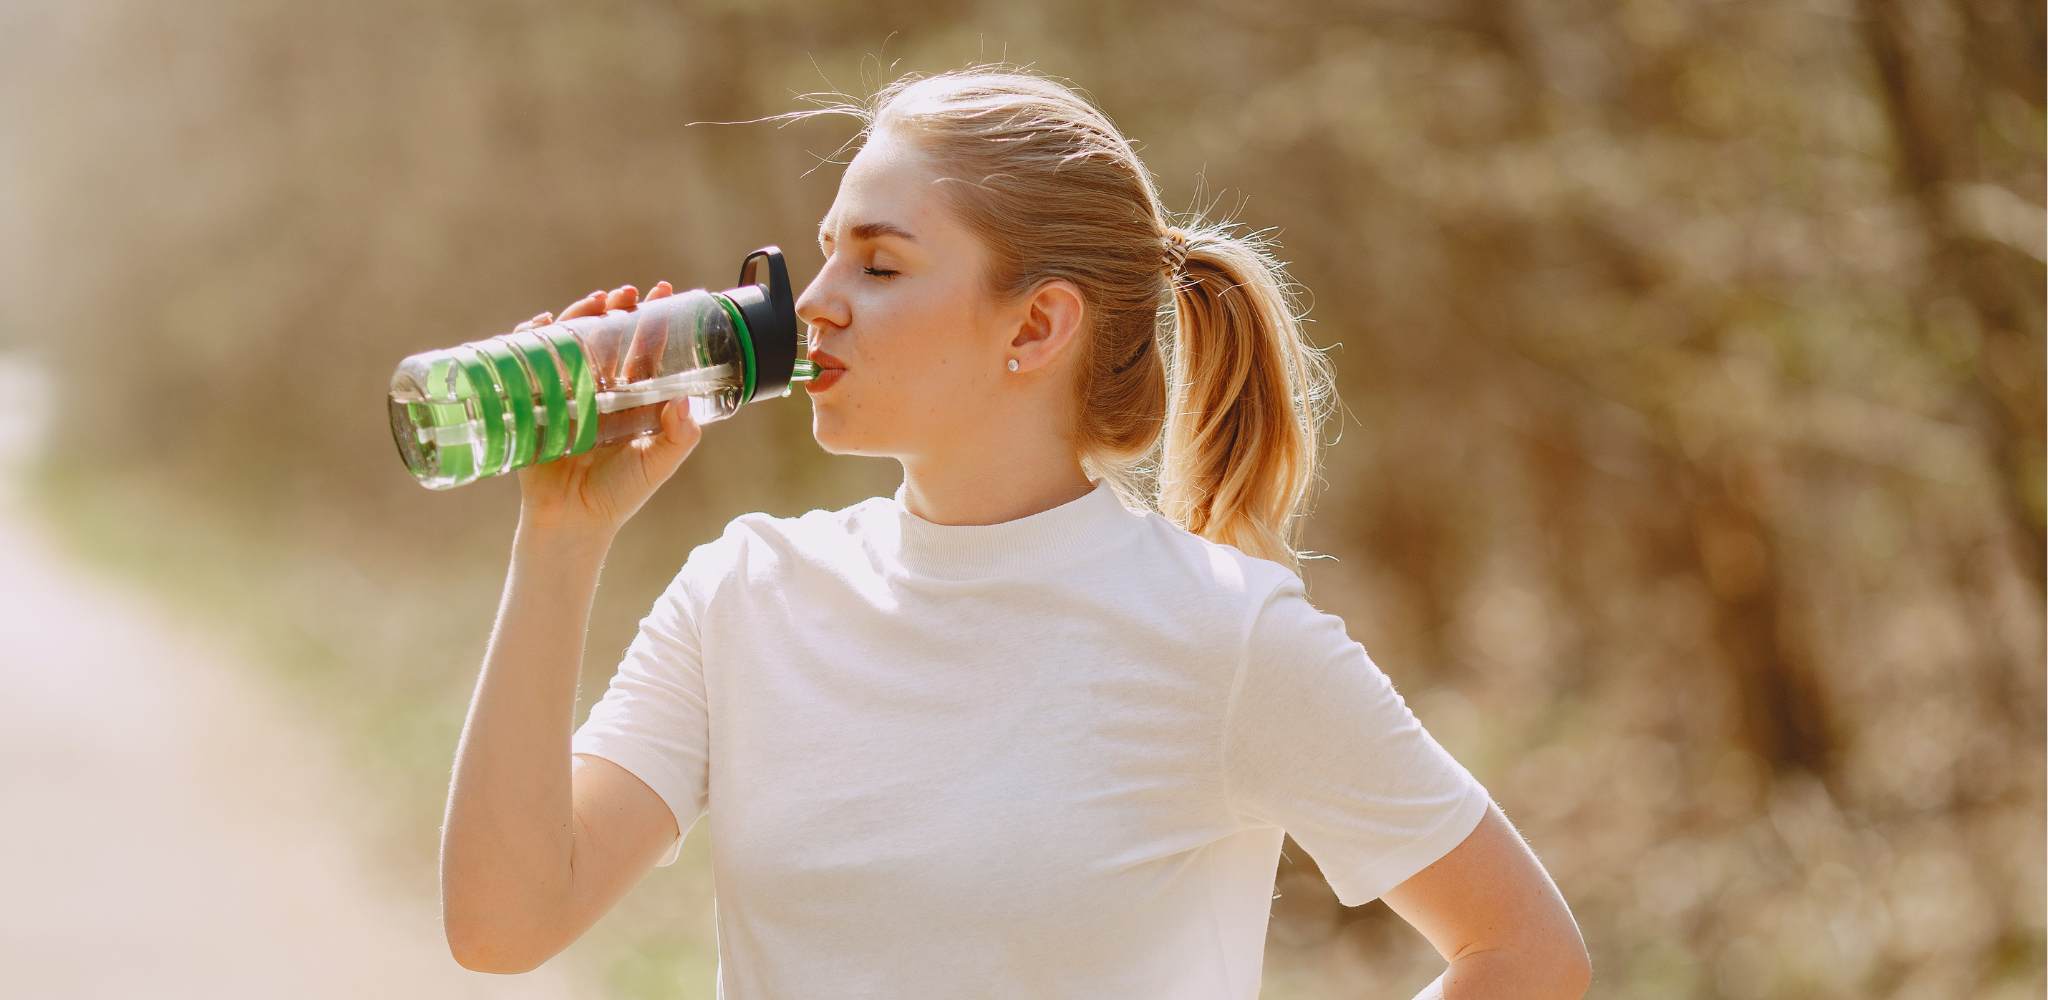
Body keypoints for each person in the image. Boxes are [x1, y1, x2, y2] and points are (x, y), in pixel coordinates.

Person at [440, 64, 1590, 999]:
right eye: (825, 247)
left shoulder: (1222, 634)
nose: (816, 300)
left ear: (1036, 326)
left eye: (879, 262)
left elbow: (1524, 955)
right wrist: (560, 537)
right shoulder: (742, 593)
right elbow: (503, 922)